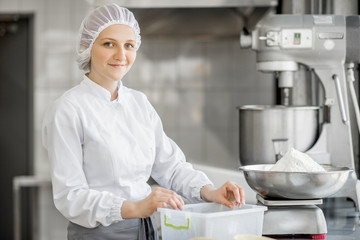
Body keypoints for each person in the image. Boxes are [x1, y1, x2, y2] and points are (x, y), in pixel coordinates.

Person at [42, 3, 245, 240]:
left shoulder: (138, 103)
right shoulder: (68, 109)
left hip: (147, 230)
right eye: (109, 44)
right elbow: (71, 196)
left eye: (129, 45)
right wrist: (136, 208)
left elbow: (171, 166)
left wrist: (209, 191)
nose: (121, 55)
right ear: (87, 47)